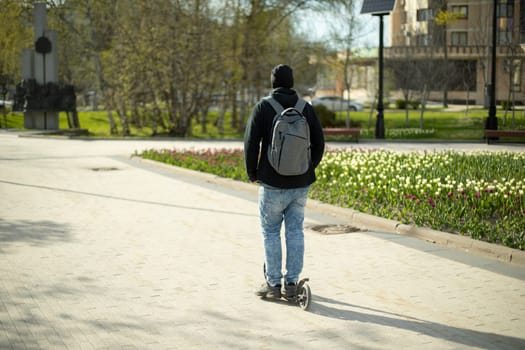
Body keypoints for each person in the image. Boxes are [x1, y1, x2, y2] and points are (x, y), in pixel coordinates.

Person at [244, 64, 325, 299]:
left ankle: (273, 284)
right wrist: (307, 168)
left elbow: (251, 143)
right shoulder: (306, 108)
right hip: (300, 184)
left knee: (270, 232)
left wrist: (253, 173)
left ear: (273, 83)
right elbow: (319, 144)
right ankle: (292, 284)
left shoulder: (263, 107)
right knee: (295, 231)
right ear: (292, 82)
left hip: (271, 184)